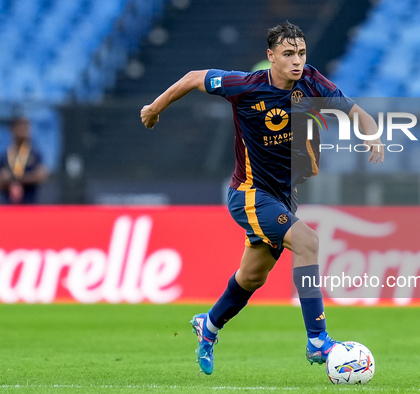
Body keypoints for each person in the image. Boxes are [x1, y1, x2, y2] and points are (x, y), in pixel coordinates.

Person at [140, 21, 384, 375]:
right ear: (271, 57)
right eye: (288, 54)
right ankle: (318, 340)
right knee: (308, 241)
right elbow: (194, 77)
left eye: (301, 53)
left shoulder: (312, 81)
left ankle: (207, 327)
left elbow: (351, 109)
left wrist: (372, 133)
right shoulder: (244, 86)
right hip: (249, 194)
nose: (297, 61)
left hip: (283, 198)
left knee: (252, 277)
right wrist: (154, 107)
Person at [0, 117, 48, 204]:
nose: (24, 131)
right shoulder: (5, 155)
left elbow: (40, 176)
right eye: (21, 127)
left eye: (26, 128)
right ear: (12, 129)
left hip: (29, 204)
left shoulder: (35, 153)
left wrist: (13, 179)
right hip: (8, 205)